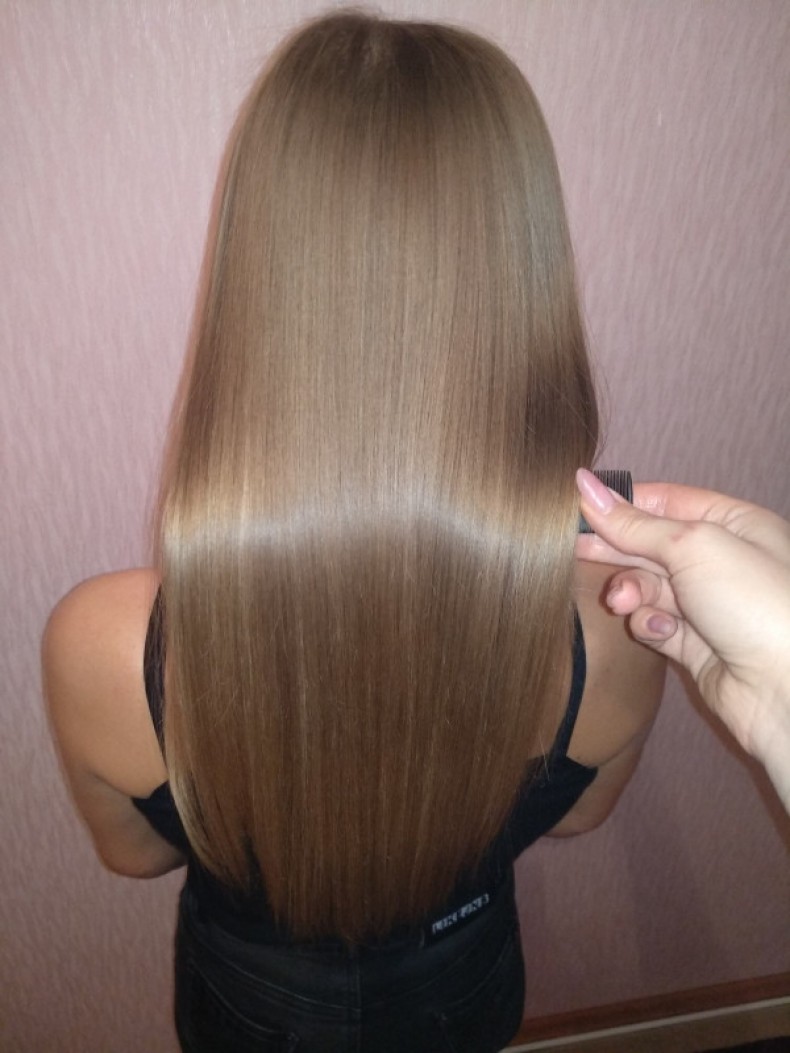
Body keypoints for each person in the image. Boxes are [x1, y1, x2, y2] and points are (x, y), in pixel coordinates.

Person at [41, 13, 665, 1053]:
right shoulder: (614, 619)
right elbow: (576, 816)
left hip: (252, 1008)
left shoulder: (103, 645)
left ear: (255, 287)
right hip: (463, 987)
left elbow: (135, 856)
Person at [576, 468, 790, 813]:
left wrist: (778, 691)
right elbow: (584, 817)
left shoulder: (605, 650)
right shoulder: (610, 655)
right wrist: (777, 695)